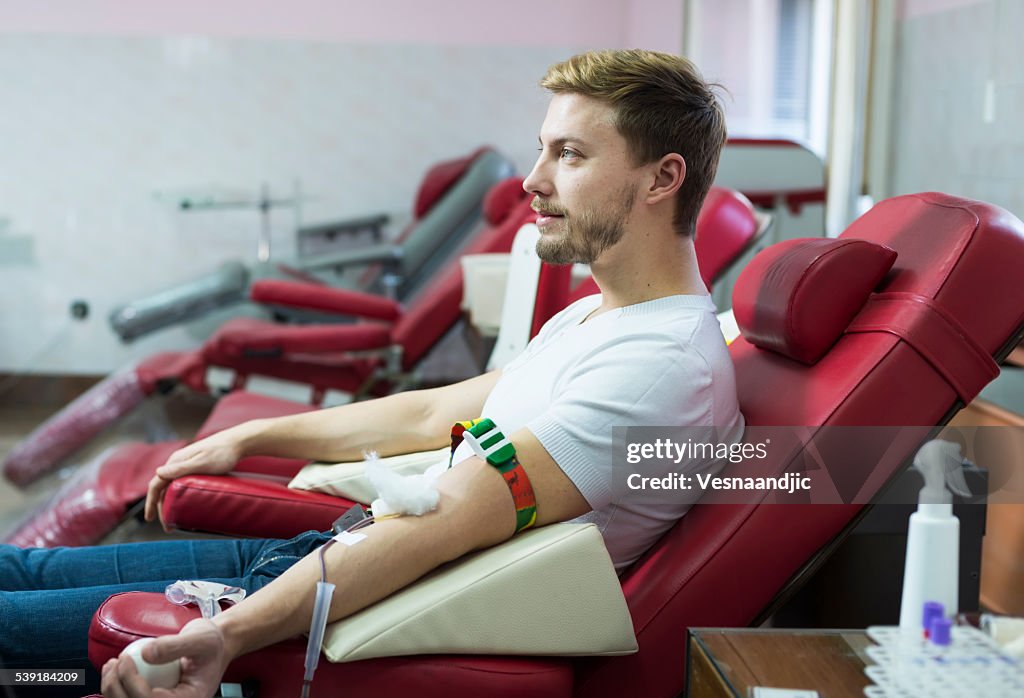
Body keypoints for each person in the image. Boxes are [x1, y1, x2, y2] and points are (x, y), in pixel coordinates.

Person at [0, 49, 743, 697]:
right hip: (327, 559)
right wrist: (254, 435)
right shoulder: (601, 318)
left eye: (570, 156)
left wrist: (230, 634)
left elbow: (446, 519)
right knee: (24, 573)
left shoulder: (656, 369)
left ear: (661, 179)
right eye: (542, 150)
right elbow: (429, 414)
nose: (534, 181)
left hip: (345, 608)